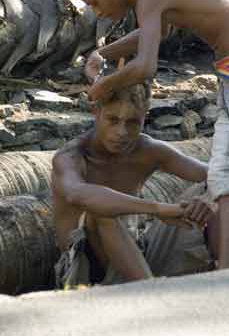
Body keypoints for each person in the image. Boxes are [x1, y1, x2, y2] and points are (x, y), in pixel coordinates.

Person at [66, 0, 229, 270]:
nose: (97, 12)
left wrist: (102, 86)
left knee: (227, 176)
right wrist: (103, 54)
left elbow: (146, 66)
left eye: (95, 2)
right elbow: (158, 32)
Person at [52, 79, 211, 288]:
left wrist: (208, 198)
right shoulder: (71, 156)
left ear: (144, 117)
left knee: (222, 191)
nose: (121, 132)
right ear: (96, 112)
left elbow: (219, 176)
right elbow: (77, 194)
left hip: (138, 255)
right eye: (113, 120)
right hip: (85, 272)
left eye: (132, 122)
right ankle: (150, 293)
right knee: (100, 210)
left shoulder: (148, 150)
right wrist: (157, 209)